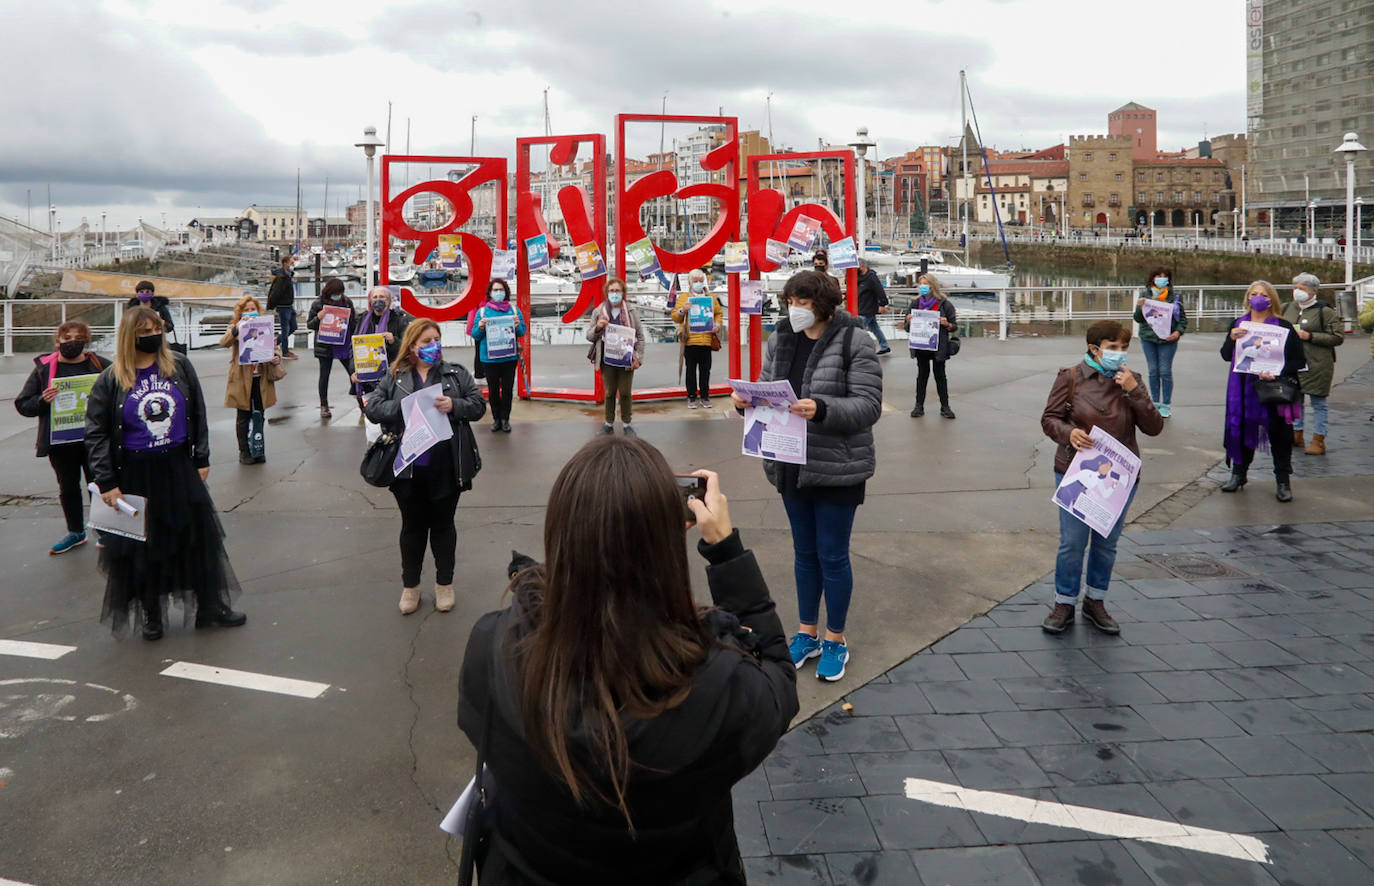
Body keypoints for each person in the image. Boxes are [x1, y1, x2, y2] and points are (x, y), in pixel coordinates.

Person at [457, 436, 798, 884]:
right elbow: (778, 680)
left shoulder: (493, 647)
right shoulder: (716, 690)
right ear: (665, 545)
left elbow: (475, 723)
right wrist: (725, 550)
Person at [733, 270, 883, 681]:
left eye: (802, 302)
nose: (794, 310)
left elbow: (869, 405)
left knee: (832, 555)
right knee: (804, 554)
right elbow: (767, 387)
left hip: (838, 466)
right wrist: (746, 402)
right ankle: (807, 632)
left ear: (823, 304)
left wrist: (822, 408)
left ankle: (835, 638)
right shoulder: (780, 339)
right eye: (790, 301)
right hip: (788, 464)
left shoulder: (855, 341)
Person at [84, 306, 246, 641]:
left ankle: (209, 607)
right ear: (130, 337)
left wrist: (202, 457)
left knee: (198, 538)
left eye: (154, 330)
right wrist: (107, 482)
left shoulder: (179, 366)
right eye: (142, 334)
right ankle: (151, 615)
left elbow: (198, 412)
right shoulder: (112, 378)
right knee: (143, 547)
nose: (150, 337)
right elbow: (96, 433)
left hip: (177, 466)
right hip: (134, 472)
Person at [1040, 319, 1163, 635]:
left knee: (1106, 544)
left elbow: (1153, 427)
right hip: (1077, 473)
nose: (1120, 354)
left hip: (1119, 476)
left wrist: (1135, 393)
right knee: (1072, 543)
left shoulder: (1131, 380)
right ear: (1095, 349)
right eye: (1113, 348)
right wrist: (1070, 433)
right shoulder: (1070, 378)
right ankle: (1064, 602)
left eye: (1124, 347)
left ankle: (1096, 601)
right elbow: (1050, 418)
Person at [363, 319, 486, 614]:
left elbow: (478, 406)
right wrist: (405, 407)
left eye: (437, 340)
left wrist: (454, 405)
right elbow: (373, 408)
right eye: (427, 341)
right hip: (408, 469)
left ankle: (445, 584)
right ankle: (411, 587)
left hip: (446, 466)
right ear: (413, 346)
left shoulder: (455, 373)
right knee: (413, 528)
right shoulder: (396, 376)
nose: (434, 346)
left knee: (444, 527)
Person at [14, 320, 110, 554]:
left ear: (85, 341)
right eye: (67, 339)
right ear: (57, 342)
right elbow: (23, 404)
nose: (72, 343)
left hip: (94, 440)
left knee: (99, 485)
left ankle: (106, 531)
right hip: (60, 442)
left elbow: (121, 390)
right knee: (68, 487)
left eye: (77, 339)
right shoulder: (44, 369)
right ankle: (76, 531)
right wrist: (42, 400)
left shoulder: (100, 365)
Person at [1220, 280, 1307, 501]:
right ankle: (1238, 474)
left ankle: (1282, 481)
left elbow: (1298, 360)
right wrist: (1231, 339)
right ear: (1248, 297)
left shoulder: (1283, 326)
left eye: (1263, 294)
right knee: (1241, 430)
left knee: (1280, 436)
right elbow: (1226, 355)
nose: (1258, 298)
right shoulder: (1239, 324)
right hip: (1243, 389)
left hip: (1273, 389)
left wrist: (1276, 371)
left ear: (1271, 299)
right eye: (1254, 294)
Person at [1282, 272, 1343, 455]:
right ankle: (1296, 433)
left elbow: (1337, 337)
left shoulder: (1325, 311)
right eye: (1295, 288)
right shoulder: (1287, 308)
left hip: (1318, 363)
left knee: (1318, 402)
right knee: (1295, 399)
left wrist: (1310, 336)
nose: (1297, 291)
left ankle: (1318, 439)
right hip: (1293, 362)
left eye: (1302, 288)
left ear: (1314, 291)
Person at [219, 294, 284, 465]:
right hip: (241, 378)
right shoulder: (235, 326)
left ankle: (258, 447)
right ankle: (244, 451)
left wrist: (276, 357)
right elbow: (224, 342)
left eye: (252, 309)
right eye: (246, 310)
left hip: (260, 377)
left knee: (259, 415)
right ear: (239, 313)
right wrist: (237, 329)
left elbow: (275, 347)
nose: (250, 312)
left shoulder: (264, 326)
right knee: (243, 416)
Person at [585, 276, 646, 436]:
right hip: (607, 358)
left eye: (617, 291)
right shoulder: (599, 311)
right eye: (611, 291)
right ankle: (608, 423)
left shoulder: (631, 310)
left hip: (626, 358)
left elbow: (640, 336)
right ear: (607, 292)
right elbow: (589, 336)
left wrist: (638, 358)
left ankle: (626, 423)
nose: (614, 293)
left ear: (623, 292)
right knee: (610, 392)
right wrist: (598, 327)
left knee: (625, 392)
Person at [468, 279, 527, 433]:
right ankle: (496, 419)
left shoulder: (514, 311)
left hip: (509, 357)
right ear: (490, 293)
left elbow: (522, 332)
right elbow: (475, 334)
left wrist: (517, 325)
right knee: (493, 390)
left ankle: (505, 419)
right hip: (489, 358)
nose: (498, 292)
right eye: (495, 290)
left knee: (507, 390)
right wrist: (480, 327)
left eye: (501, 289)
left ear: (506, 292)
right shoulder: (482, 312)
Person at [898, 274, 958, 419]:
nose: (923, 287)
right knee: (922, 376)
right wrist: (909, 321)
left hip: (938, 345)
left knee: (940, 376)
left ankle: (945, 407)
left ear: (933, 286)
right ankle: (919, 406)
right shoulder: (915, 303)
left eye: (926, 284)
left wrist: (946, 324)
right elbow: (907, 327)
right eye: (921, 284)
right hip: (921, 345)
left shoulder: (945, 304)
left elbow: (954, 326)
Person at [1131, 266, 1187, 417]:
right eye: (1158, 276)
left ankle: (1166, 404)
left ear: (1169, 280)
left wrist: (1177, 332)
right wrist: (1139, 307)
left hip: (1168, 339)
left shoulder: (1175, 297)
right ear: (1152, 278)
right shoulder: (1145, 295)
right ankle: (1155, 402)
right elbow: (1138, 319)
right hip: (1148, 338)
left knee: (1165, 371)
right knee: (1153, 371)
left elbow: (1182, 319)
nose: (1161, 279)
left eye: (1164, 276)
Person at [306, 278, 357, 419]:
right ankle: (324, 405)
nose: (338, 295)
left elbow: (354, 322)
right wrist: (319, 317)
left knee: (354, 373)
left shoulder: (347, 302)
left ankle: (360, 400)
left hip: (344, 343)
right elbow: (310, 324)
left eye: (340, 293)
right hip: (325, 344)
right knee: (324, 375)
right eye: (335, 293)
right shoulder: (318, 303)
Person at [671, 268, 723, 408]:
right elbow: (675, 317)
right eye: (695, 281)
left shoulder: (710, 297)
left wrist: (717, 325)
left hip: (706, 340)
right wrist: (683, 310)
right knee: (690, 370)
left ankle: (705, 396)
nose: (698, 283)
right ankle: (692, 396)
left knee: (705, 370)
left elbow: (719, 313)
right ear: (690, 282)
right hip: (689, 340)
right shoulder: (683, 297)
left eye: (700, 281)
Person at [351, 285, 412, 402]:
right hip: (366, 376)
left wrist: (394, 341)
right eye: (375, 297)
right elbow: (352, 348)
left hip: (392, 375)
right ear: (370, 301)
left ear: (388, 301)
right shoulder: (363, 319)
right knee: (370, 411)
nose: (378, 299)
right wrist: (353, 370)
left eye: (382, 297)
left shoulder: (399, 319)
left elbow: (407, 347)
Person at [266, 253, 299, 359]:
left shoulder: (288, 275)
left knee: (294, 327)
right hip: (283, 307)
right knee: (285, 330)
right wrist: (272, 305)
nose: (293, 264)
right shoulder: (281, 277)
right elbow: (275, 293)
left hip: (289, 306)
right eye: (291, 263)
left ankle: (275, 342)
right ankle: (285, 352)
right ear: (285, 264)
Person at [856, 258, 891, 355]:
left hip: (867, 308)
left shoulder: (871, 277)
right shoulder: (858, 277)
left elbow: (879, 290)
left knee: (858, 330)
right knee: (874, 327)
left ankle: (862, 349)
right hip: (863, 307)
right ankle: (884, 346)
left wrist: (882, 304)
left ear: (862, 266)